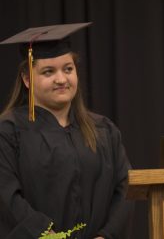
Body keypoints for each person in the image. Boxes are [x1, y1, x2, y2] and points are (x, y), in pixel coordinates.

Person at [0, 23, 134, 239]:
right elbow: (6, 198)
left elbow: (126, 189)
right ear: (27, 79)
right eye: (48, 72)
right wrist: (46, 234)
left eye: (68, 69)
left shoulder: (103, 130)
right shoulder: (9, 132)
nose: (61, 79)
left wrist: (106, 236)